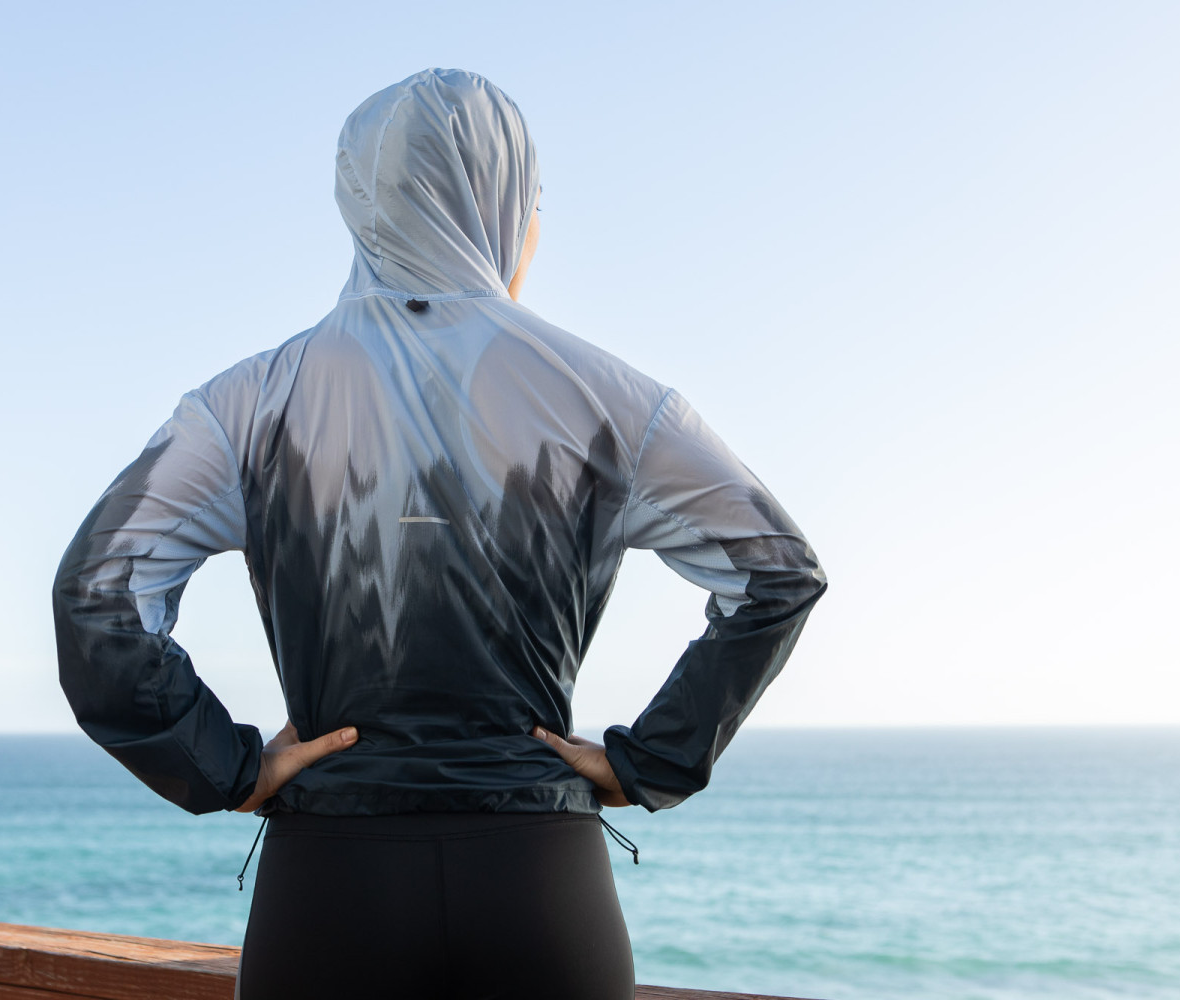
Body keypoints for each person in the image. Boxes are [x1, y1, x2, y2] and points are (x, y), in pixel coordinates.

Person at [52, 67, 826, 1000]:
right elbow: (776, 573)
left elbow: (97, 595)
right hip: (541, 884)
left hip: (330, 889)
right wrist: (646, 761)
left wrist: (229, 764)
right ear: (503, 206)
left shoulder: (247, 404)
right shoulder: (612, 401)